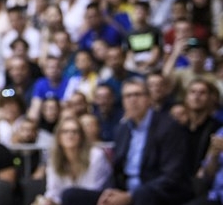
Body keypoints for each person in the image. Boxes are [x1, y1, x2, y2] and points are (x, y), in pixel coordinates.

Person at [62, 78, 193, 205]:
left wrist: (131, 196)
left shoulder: (168, 127)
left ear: (148, 99)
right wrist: (111, 194)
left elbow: (172, 176)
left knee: (144, 195)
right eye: (127, 96)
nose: (132, 100)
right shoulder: (122, 129)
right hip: (125, 192)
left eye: (137, 95)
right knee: (70, 195)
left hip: (156, 193)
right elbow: (118, 171)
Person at [40, 117, 112, 205]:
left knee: (70, 194)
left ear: (81, 136)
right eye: (65, 131)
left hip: (99, 200)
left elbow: (92, 189)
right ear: (58, 137)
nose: (70, 135)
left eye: (75, 131)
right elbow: (53, 192)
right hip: (67, 201)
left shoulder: (96, 155)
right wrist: (48, 201)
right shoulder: (53, 160)